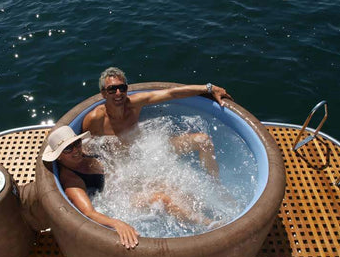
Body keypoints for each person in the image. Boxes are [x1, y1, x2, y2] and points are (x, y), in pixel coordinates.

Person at [42, 126, 218, 249]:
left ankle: (205, 210)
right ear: (58, 157)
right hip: (117, 198)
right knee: (161, 198)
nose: (75, 150)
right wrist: (117, 223)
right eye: (68, 149)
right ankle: (209, 226)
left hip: (124, 182)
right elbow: (89, 213)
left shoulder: (84, 150)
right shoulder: (72, 181)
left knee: (169, 184)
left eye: (76, 144)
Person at [82, 67, 234, 177]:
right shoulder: (95, 119)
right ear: (103, 94)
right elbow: (84, 150)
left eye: (122, 88)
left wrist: (209, 88)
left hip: (148, 149)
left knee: (203, 140)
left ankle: (216, 185)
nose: (118, 93)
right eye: (112, 89)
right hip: (124, 166)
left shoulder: (134, 104)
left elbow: (171, 93)